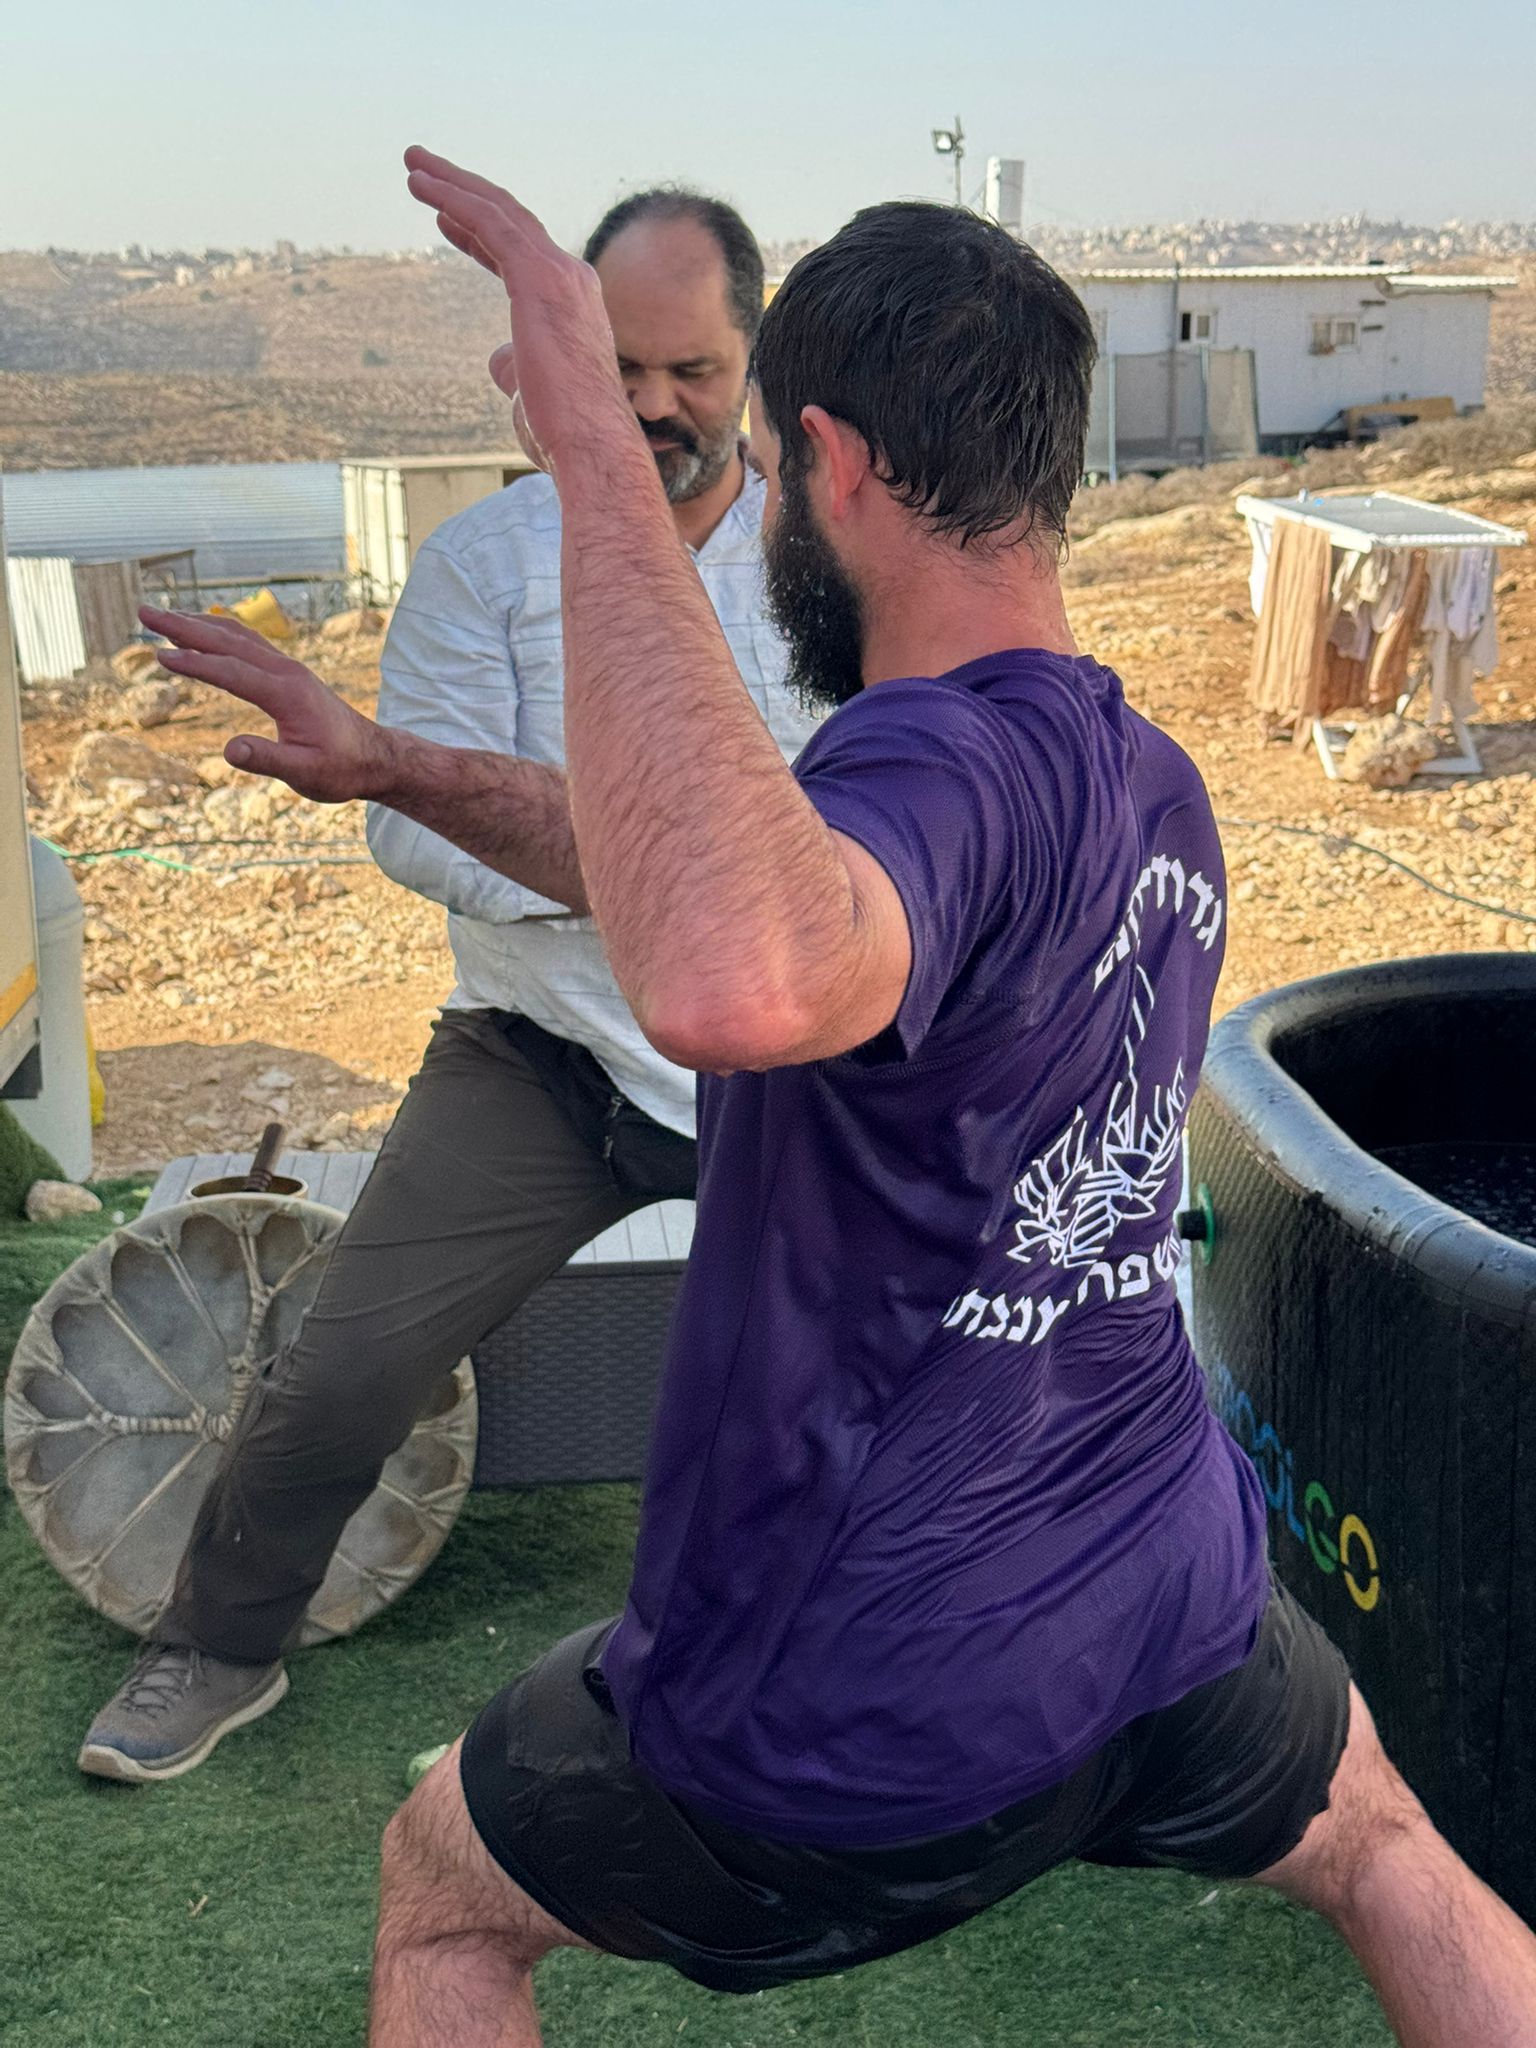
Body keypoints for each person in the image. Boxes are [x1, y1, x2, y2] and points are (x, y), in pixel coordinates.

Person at [153, 150, 1536, 2048]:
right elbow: (727, 882)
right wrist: (400, 766)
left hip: (859, 1704)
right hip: (1171, 1604)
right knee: (1378, 1837)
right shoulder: (1146, 779)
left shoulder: (933, 766)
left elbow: (732, 971)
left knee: (441, 1896)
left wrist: (586, 447)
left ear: (833, 463)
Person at [78, 188, 818, 1784]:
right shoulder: (484, 564)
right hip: (547, 1055)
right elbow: (420, 836)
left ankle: (902, 1643)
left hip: (792, 1058)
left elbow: (866, 838)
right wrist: (669, 872)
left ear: (753, 360)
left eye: (690, 369)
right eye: (615, 368)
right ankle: (218, 1644)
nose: (651, 405)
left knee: (900, 1352)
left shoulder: (824, 558)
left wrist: (592, 841)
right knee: (343, 1366)